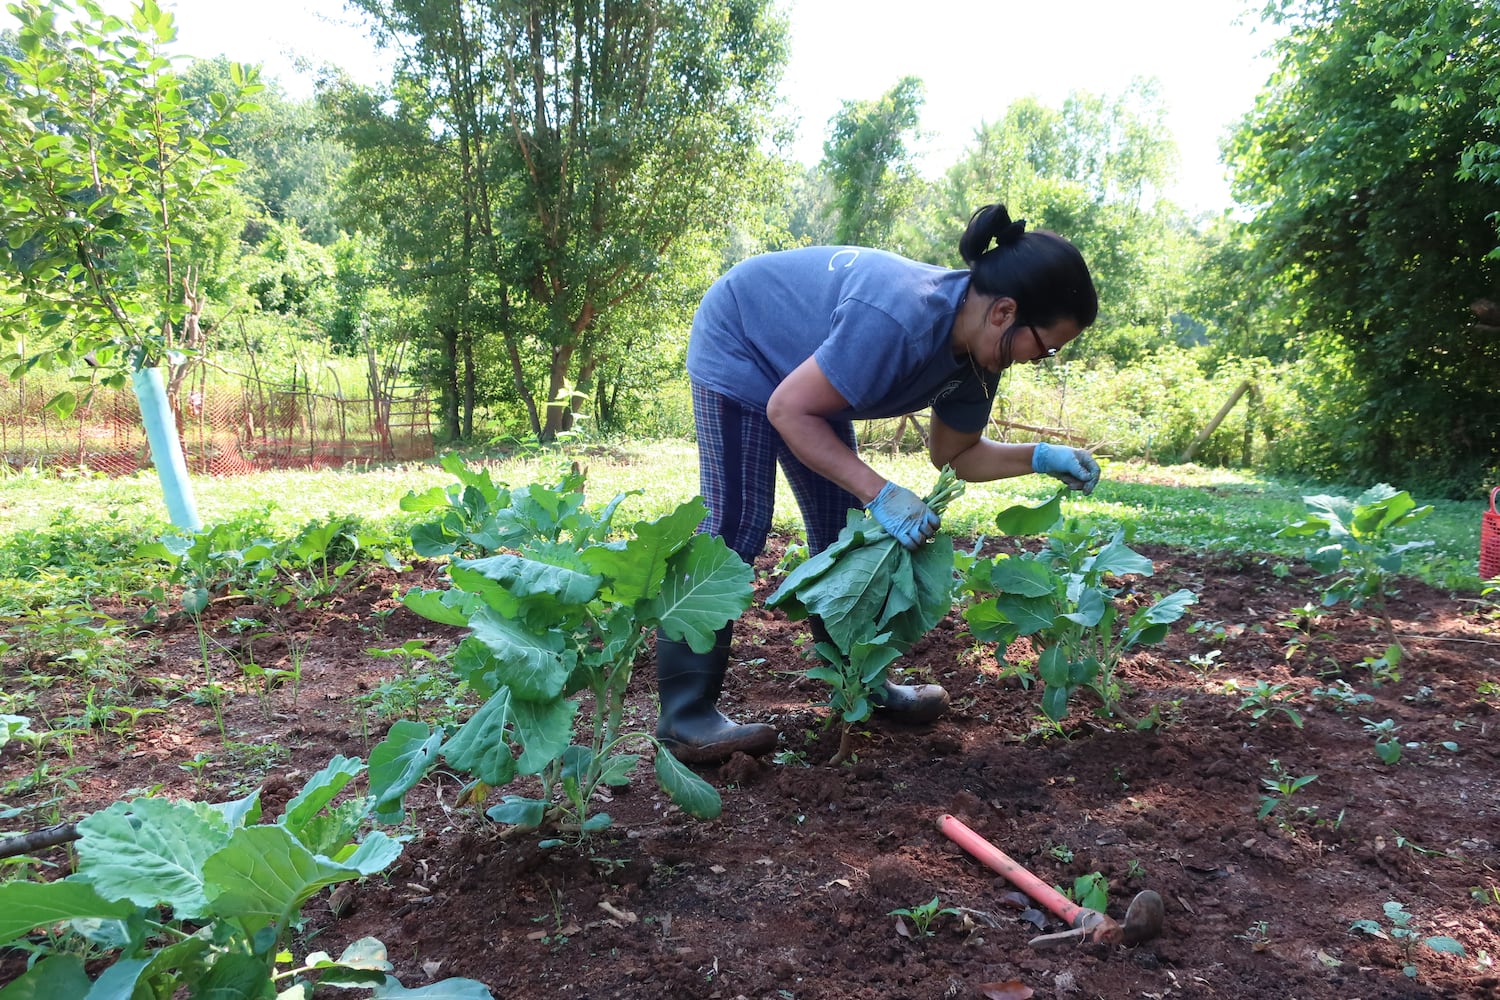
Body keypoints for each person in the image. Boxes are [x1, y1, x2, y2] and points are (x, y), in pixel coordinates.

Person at [656, 203, 1100, 764]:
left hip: (809, 372)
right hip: (743, 340)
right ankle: (684, 715)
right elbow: (790, 410)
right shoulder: (900, 318)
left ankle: (862, 685)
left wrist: (1040, 456)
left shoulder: (980, 360)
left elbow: (957, 456)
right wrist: (881, 491)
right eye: (1047, 344)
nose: (1042, 358)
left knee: (844, 536)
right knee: (736, 525)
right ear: (1005, 311)